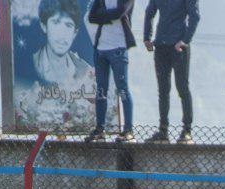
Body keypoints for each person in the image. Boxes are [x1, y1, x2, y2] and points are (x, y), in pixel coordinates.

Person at [17, 0, 95, 126]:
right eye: (56, 22)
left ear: (75, 33)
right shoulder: (30, 66)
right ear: (44, 26)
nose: (62, 34)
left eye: (68, 25)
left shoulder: (85, 70)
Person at [143, 0, 200, 144]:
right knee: (163, 90)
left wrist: (186, 40)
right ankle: (163, 131)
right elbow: (149, 12)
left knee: (182, 87)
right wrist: (147, 37)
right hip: (161, 45)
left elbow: (195, 16)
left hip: (178, 47)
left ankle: (186, 130)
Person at [86, 0, 137, 143]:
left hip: (118, 48)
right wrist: (108, 16)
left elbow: (120, 12)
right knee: (101, 90)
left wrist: (103, 16)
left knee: (122, 89)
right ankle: (100, 129)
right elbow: (92, 17)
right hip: (100, 49)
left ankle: (128, 130)